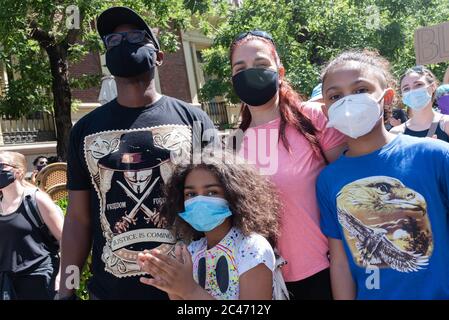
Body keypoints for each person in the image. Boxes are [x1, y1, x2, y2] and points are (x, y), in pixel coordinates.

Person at [59, 6, 217, 300]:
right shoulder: (84, 130)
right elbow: (78, 219)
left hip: (187, 290)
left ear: (158, 55)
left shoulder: (194, 121)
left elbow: (220, 205)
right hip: (110, 293)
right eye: (114, 41)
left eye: (135, 37)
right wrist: (65, 290)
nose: (124, 43)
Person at [317, 50, 449, 299]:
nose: (348, 101)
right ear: (326, 111)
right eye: (335, 96)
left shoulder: (436, 156)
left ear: (387, 98)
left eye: (360, 90)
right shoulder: (328, 180)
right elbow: (341, 262)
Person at [228, 30, 346, 299]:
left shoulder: (313, 119)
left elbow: (348, 185)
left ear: (279, 72)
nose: (251, 73)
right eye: (240, 68)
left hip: (327, 272)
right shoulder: (234, 144)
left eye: (260, 65)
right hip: (266, 280)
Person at [137, 150, 280, 300]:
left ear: (234, 195)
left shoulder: (251, 248)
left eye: (211, 192)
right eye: (191, 194)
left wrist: (189, 290)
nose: (200, 201)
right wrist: (172, 285)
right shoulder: (192, 252)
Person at [0, 151, 63, 299]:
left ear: (19, 171)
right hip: (8, 285)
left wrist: (64, 275)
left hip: (40, 281)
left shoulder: (36, 199)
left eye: (1, 165)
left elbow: (65, 238)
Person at [390, 65, 449, 142]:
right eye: (406, 88)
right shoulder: (396, 133)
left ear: (433, 87)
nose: (412, 91)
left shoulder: (446, 124)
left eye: (418, 85)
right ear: (403, 96)